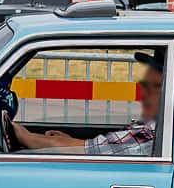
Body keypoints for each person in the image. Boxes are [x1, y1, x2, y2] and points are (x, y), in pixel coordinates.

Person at [12, 52, 162, 155]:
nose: (145, 92)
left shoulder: (153, 135)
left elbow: (91, 151)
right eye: (145, 85)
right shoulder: (155, 126)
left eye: (155, 86)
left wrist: (25, 136)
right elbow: (101, 147)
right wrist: (68, 141)